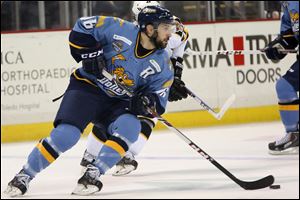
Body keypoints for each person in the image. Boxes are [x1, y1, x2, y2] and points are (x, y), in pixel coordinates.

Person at [4, 5, 175, 196]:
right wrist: (90, 53)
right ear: (149, 29)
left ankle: (92, 175)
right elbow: (81, 27)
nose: (170, 34)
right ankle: (23, 176)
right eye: (166, 28)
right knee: (66, 135)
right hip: (88, 87)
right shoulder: (119, 28)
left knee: (131, 126)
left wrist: (145, 102)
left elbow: (158, 102)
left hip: (118, 102)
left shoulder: (162, 64)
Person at [79, 1, 190, 177]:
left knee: (149, 113)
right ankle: (91, 155)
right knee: (113, 110)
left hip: (152, 76)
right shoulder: (129, 31)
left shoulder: (172, 31)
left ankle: (127, 155)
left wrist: (176, 75)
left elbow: (182, 40)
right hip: (131, 75)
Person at [263, 1, 299, 155]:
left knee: (285, 87)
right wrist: (277, 48)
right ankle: (294, 135)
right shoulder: (287, 4)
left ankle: (295, 136)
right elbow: (290, 36)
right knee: (285, 87)